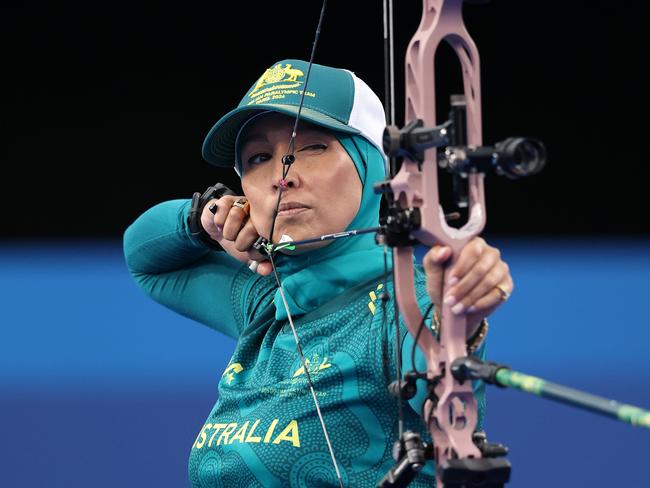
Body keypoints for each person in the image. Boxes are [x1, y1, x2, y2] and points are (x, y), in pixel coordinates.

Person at [123, 58, 513, 487]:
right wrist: (205, 217)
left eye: (311, 148)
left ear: (373, 164)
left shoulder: (405, 303)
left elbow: (440, 363)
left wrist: (457, 315)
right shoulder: (266, 305)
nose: (281, 176)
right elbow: (145, 261)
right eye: (257, 158)